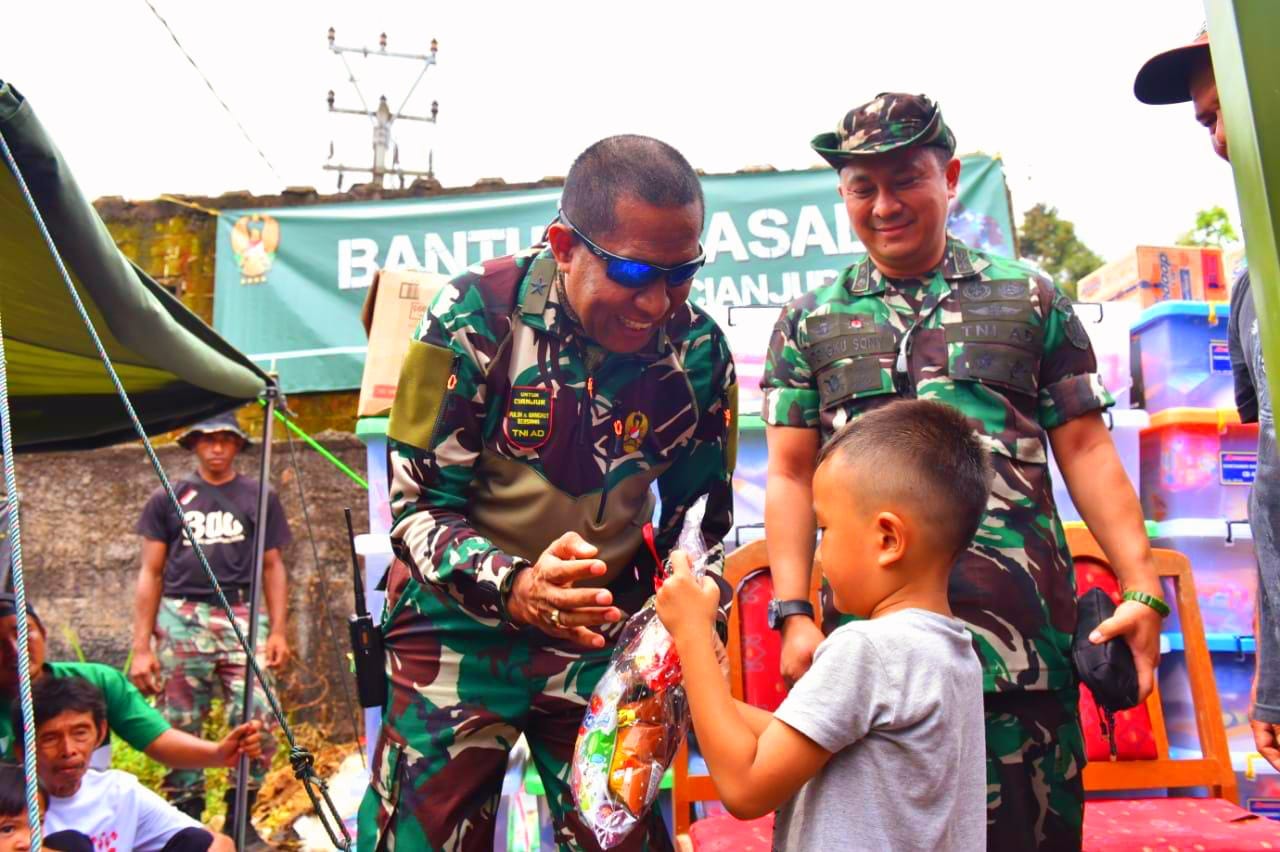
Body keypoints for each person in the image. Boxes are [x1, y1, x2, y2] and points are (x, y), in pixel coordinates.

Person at [761, 93, 1165, 850]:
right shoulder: (811, 320)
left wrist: (1140, 586)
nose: (884, 205)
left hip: (1022, 663)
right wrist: (794, 613)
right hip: (873, 671)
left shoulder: (1030, 297)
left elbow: (1085, 449)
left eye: (906, 180)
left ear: (948, 178)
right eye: (861, 187)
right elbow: (788, 473)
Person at [358, 134, 736, 852]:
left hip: (604, 633)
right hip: (455, 630)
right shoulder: (472, 315)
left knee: (616, 836)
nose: (656, 302)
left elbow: (699, 523)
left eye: (682, 273)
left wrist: (682, 625)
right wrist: (517, 585)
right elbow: (417, 507)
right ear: (564, 245)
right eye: (633, 272)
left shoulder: (698, 353)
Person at [658, 400, 989, 851]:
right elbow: (804, 736)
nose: (819, 552)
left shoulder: (866, 650)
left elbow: (745, 788)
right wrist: (708, 686)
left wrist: (693, 634)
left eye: (825, 530)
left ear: (888, 539)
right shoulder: (953, 649)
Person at [1134, 22, 1280, 771]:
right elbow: (1272, 494)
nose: (1221, 136)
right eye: (1209, 119)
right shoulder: (1254, 286)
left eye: (1233, 108)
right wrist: (1273, 682)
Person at [130, 412, 290, 843]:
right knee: (179, 718)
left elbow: (273, 566)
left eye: (225, 439)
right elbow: (150, 572)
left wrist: (278, 630)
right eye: (207, 439)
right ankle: (188, 818)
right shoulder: (168, 497)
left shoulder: (259, 495)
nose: (216, 448)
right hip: (181, 615)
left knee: (258, 711)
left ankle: (242, 816)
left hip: (242, 612)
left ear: (237, 444)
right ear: (193, 444)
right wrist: (141, 646)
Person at [0, 595, 261, 771]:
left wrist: (219, 753)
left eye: (22, 632)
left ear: (44, 633)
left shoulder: (97, 682)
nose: (14, 650)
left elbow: (157, 740)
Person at [17, 676, 239, 852]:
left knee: (194, 840)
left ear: (100, 733)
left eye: (80, 733)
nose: (68, 750)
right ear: (22, 749)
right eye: (50, 738)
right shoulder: (10, 802)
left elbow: (219, 843)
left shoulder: (119, 792)